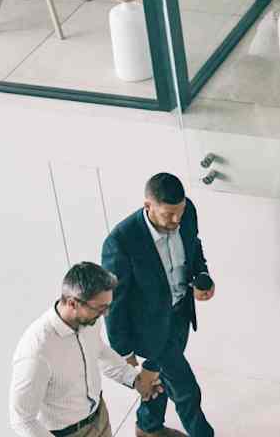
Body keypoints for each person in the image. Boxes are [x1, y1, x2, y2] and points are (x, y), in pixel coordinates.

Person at [102, 172, 216, 437]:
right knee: (186, 390)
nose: (176, 220)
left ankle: (148, 426)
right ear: (148, 206)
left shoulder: (186, 213)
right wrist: (123, 350)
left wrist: (203, 277)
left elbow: (194, 246)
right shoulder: (121, 242)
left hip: (180, 315)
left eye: (180, 212)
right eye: (169, 215)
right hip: (150, 329)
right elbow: (114, 302)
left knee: (159, 378)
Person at [10, 262, 164, 437]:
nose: (105, 314)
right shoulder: (36, 351)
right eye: (99, 308)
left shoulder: (89, 321)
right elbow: (22, 419)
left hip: (99, 418)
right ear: (72, 303)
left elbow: (99, 351)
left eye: (107, 307)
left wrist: (134, 379)